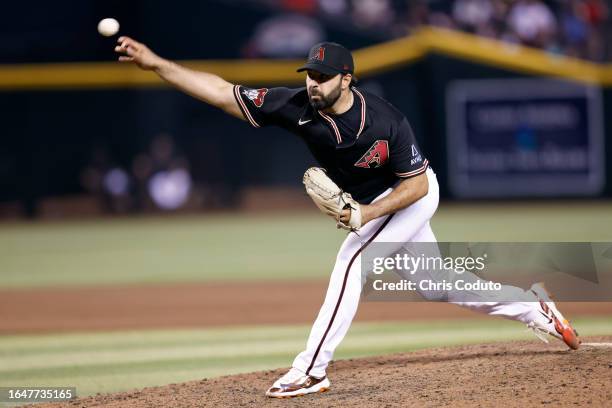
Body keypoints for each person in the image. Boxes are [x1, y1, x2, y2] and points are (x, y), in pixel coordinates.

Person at [114, 38, 580, 398]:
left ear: (347, 79)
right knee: (435, 284)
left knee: (352, 260)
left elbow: (416, 184)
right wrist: (157, 64)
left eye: (321, 75)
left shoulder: (385, 120)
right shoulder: (294, 106)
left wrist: (366, 214)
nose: (311, 82)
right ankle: (532, 307)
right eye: (308, 74)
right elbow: (220, 92)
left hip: (411, 196)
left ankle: (310, 370)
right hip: (377, 205)